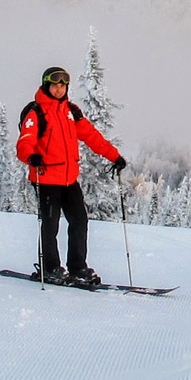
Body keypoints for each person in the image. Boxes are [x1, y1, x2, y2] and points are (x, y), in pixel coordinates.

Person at [17, 66, 125, 288]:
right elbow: (24, 142)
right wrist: (31, 156)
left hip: (68, 180)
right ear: (47, 86)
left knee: (79, 221)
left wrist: (114, 156)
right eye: (55, 85)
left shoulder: (71, 112)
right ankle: (51, 268)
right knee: (50, 224)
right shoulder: (36, 112)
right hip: (45, 178)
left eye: (63, 85)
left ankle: (77, 268)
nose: (59, 89)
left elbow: (92, 137)